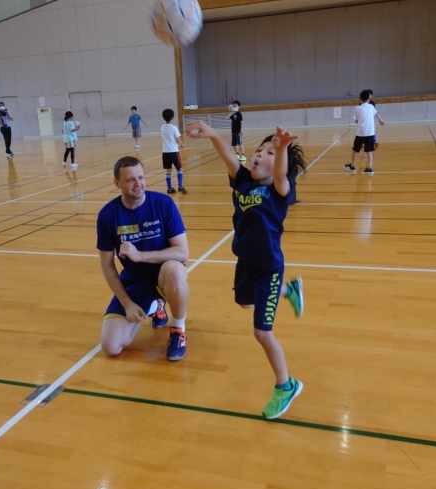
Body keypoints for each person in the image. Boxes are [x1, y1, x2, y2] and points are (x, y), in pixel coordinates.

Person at [185, 120, 306, 420]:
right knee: (243, 302)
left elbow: (279, 172)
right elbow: (229, 155)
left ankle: (285, 385)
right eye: (258, 150)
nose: (258, 155)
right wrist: (212, 133)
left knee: (261, 332)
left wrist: (281, 149)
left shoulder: (279, 192)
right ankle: (288, 291)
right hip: (245, 262)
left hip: (268, 268)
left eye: (267, 153)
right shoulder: (241, 180)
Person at [97, 156, 190, 361]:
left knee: (175, 271)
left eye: (141, 177)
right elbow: (106, 264)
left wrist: (140, 255)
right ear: (117, 183)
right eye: (130, 180)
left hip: (164, 274)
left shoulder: (163, 203)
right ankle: (155, 306)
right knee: (111, 347)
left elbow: (183, 252)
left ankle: (177, 330)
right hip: (134, 280)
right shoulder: (107, 215)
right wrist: (127, 303)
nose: (138, 184)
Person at [345, 90, 384, 175]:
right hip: (370, 133)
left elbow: (356, 120)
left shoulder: (357, 108)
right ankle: (369, 168)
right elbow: (376, 114)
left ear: (359, 98)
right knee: (369, 151)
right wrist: (380, 120)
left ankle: (352, 166)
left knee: (355, 150)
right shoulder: (371, 107)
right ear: (369, 98)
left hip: (361, 133)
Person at [160, 108, 186, 194]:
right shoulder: (174, 128)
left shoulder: (162, 127)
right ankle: (180, 186)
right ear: (172, 117)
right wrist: (182, 144)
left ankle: (170, 188)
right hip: (174, 151)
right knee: (179, 169)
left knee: (168, 170)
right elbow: (177, 139)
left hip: (165, 152)